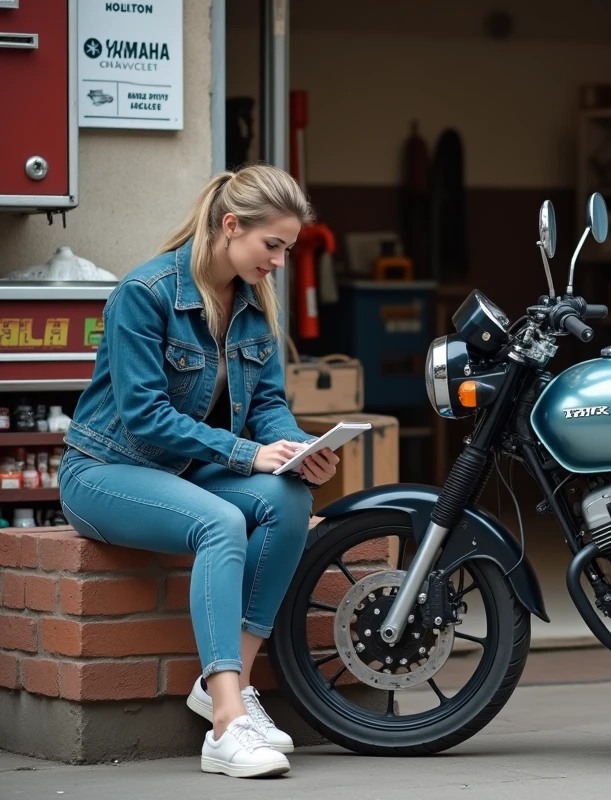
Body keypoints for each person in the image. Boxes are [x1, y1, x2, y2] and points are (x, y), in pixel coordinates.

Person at [58, 163, 341, 779]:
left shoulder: (252, 305)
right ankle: (226, 725)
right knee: (219, 523)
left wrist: (295, 448)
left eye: (288, 249)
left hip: (184, 472)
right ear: (231, 226)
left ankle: (224, 691)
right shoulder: (145, 293)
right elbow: (143, 417)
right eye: (274, 246)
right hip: (106, 470)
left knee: (288, 498)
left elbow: (267, 405)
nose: (281, 263)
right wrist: (245, 455)